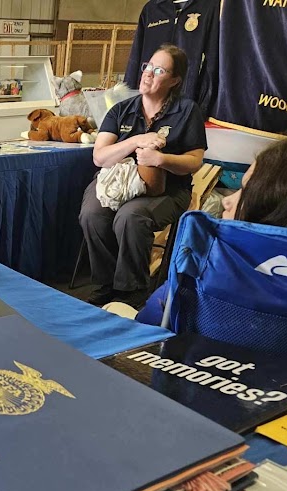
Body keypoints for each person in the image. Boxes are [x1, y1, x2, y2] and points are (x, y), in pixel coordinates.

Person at [133, 132, 287, 325]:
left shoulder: (200, 279)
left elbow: (146, 326)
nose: (227, 200)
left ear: (276, 207)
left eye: (245, 191)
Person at [79, 44, 207, 309]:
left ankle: (130, 292)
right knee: (92, 213)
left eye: (159, 70)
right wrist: (137, 140)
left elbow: (195, 161)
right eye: (147, 66)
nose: (148, 73)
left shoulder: (187, 111)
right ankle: (105, 285)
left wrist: (162, 159)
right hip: (116, 184)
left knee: (131, 217)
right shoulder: (121, 110)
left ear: (174, 80)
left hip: (168, 190)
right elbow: (99, 156)